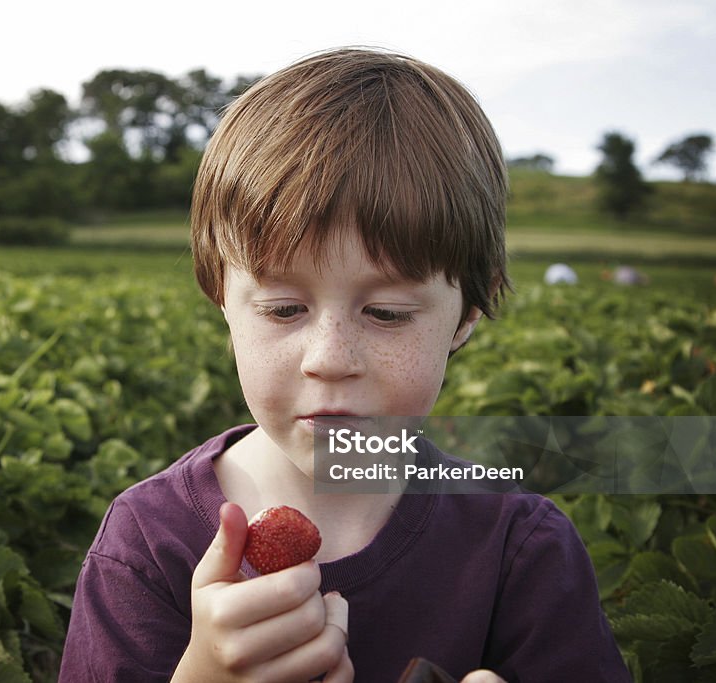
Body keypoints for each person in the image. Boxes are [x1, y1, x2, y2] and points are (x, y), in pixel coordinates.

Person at [58, 48, 631, 682]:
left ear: (467, 313)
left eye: (386, 313)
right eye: (282, 308)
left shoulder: (520, 548)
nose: (329, 359)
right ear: (221, 295)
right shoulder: (146, 545)